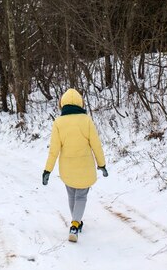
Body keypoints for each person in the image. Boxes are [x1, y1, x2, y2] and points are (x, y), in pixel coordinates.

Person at [42, 88, 108, 243]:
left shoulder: (58, 122)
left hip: (67, 167)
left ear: (62, 103)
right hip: (85, 166)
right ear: (80, 102)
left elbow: (54, 150)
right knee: (81, 196)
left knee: (72, 195)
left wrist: (47, 170)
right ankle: (75, 224)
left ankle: (75, 221)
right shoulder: (86, 120)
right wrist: (102, 164)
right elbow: (96, 145)